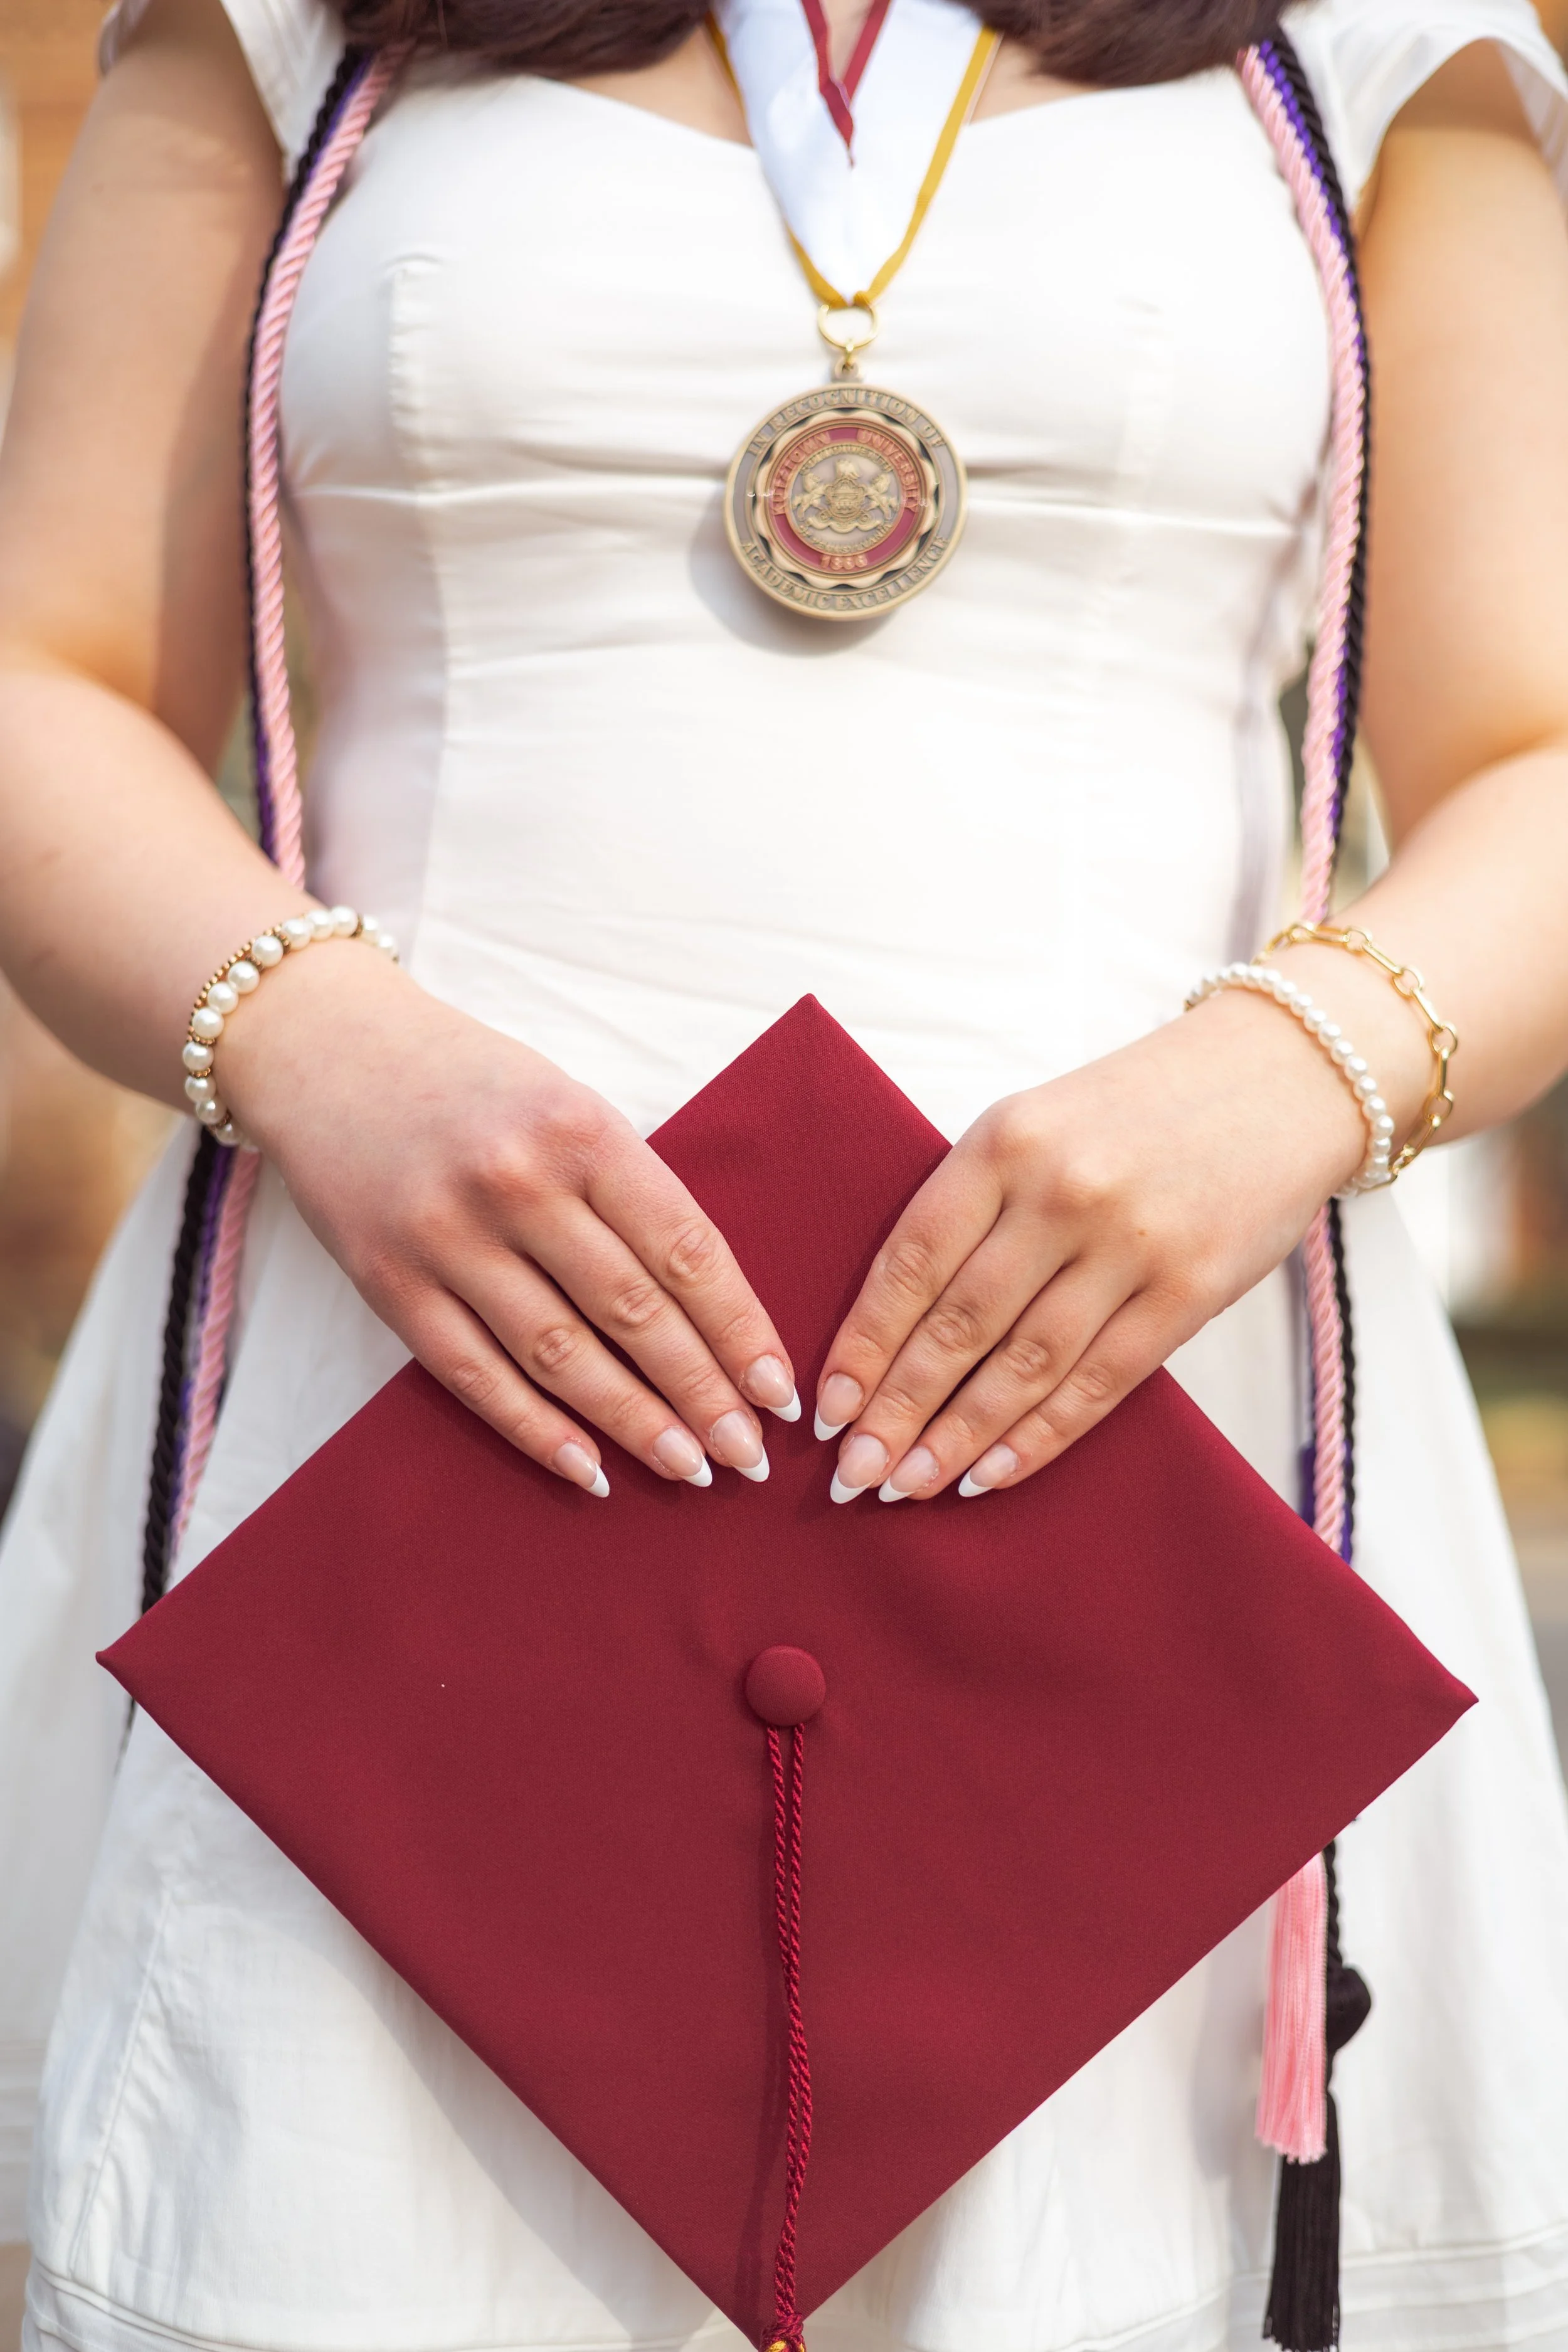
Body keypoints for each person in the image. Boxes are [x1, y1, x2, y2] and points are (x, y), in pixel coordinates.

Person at [3, 0, 1568, 2345]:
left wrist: (1278, 1083)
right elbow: (44, 667)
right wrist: (318, 1041)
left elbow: (1534, 751)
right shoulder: (288, 26)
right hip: (417, 1356)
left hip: (1147, 1380)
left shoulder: (1359, 41)